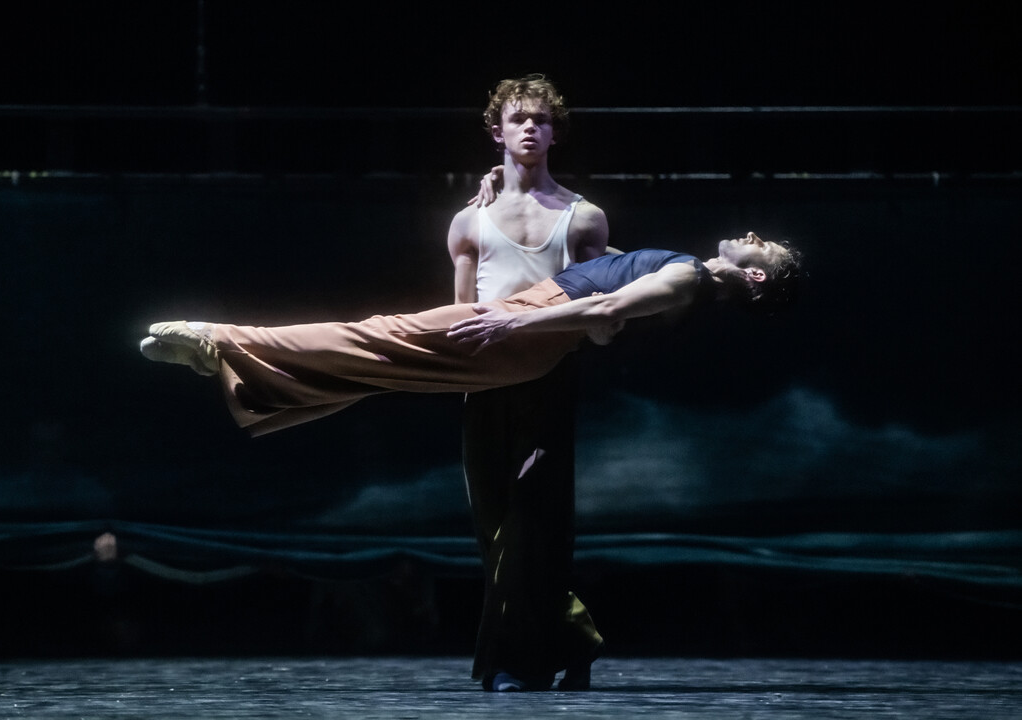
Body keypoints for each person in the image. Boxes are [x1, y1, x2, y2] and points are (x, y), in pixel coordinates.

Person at [140, 233, 800, 437]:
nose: (751, 237)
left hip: (527, 326)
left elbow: (605, 311)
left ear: (756, 277)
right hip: (533, 331)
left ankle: (217, 338)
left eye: (763, 247)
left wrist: (517, 319)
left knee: (378, 339)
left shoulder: (688, 279)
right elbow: (609, 298)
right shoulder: (683, 279)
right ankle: (229, 369)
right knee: (375, 368)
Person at [446, 75, 607, 692]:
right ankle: (575, 639)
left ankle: (509, 663)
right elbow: (459, 316)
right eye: (519, 119)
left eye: (541, 119)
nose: (531, 128)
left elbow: (597, 309)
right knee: (495, 524)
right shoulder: (470, 221)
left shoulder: (582, 217)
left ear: (555, 132)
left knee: (534, 521)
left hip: (548, 379)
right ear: (498, 131)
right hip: (488, 383)